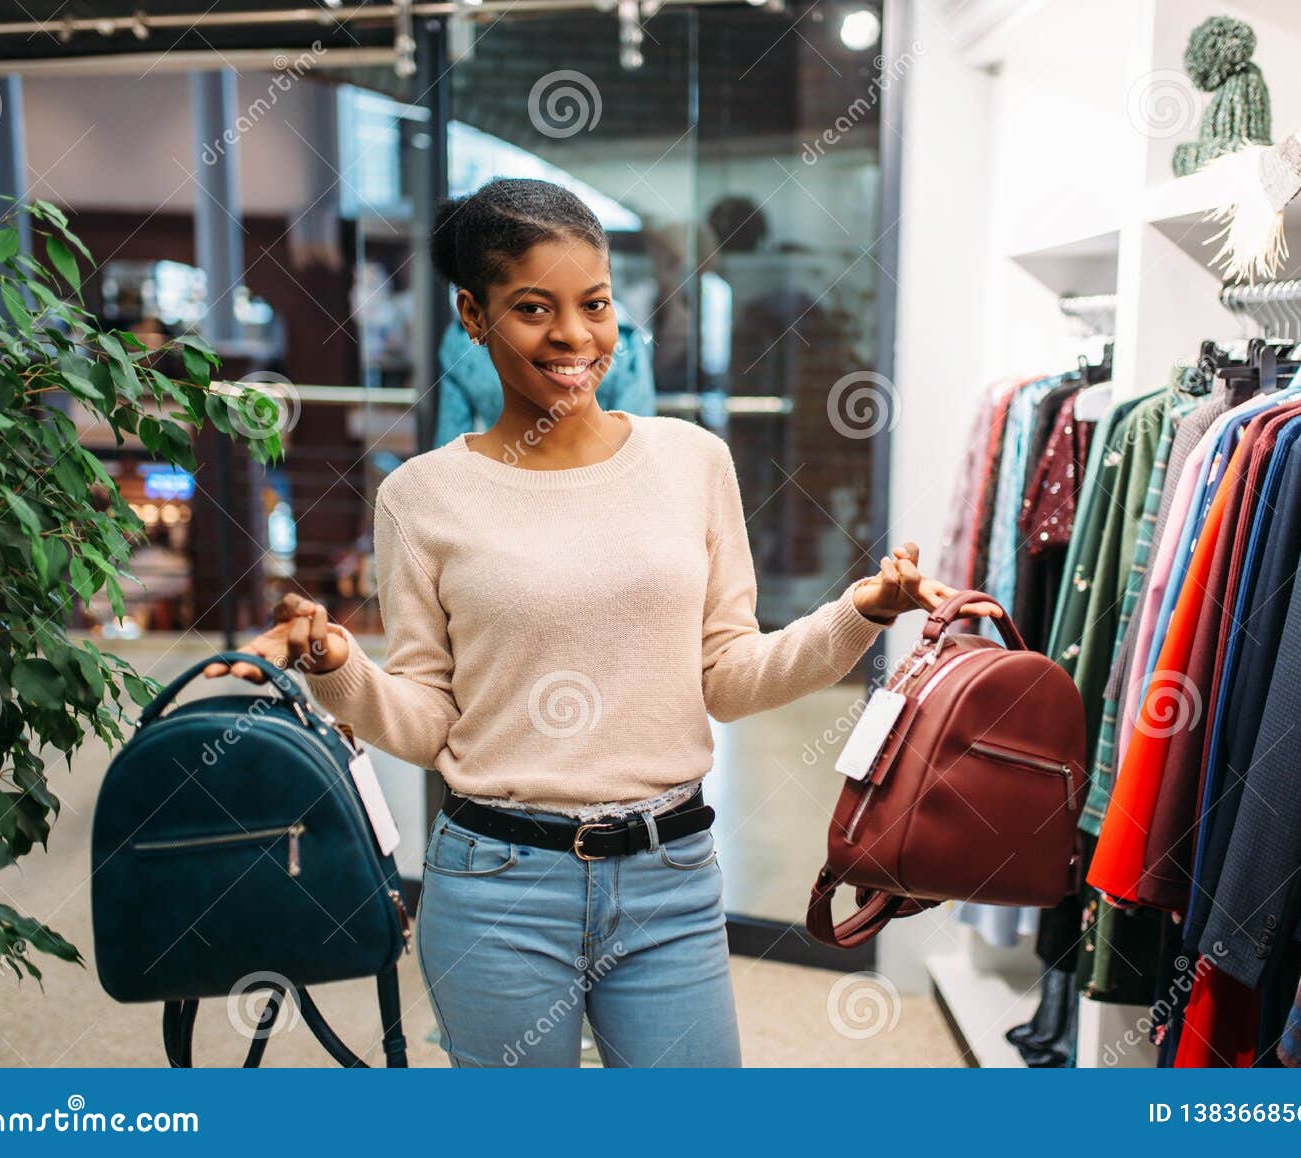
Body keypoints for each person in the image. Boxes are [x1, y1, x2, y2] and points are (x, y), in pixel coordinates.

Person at [205, 176, 998, 1067]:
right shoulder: (421, 496)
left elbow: (730, 678)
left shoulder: (692, 462)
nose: (575, 337)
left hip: (671, 880)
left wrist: (861, 612)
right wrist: (337, 663)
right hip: (497, 885)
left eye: (595, 304)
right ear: (472, 315)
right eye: (533, 309)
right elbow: (433, 724)